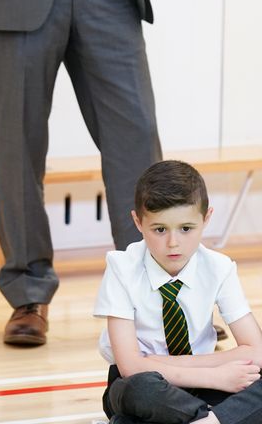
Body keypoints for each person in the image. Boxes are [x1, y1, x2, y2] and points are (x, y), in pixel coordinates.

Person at [0, 0, 163, 346]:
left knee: (137, 139)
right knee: (18, 147)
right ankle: (28, 292)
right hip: (14, 4)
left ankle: (158, 292)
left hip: (110, 0)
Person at [93, 160, 262, 423]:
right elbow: (131, 367)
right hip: (146, 386)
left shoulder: (220, 267)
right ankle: (219, 418)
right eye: (160, 229)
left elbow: (255, 351)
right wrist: (215, 376)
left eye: (186, 228)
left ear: (206, 218)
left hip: (204, 383)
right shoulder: (121, 268)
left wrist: (158, 362)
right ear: (138, 222)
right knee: (141, 390)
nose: (173, 243)